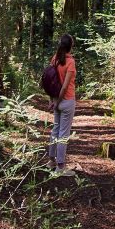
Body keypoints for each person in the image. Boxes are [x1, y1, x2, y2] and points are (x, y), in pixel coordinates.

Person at [48, 33, 77, 173]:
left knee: (55, 130)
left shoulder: (55, 59)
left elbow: (49, 82)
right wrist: (57, 101)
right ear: (70, 46)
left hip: (56, 101)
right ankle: (60, 167)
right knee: (63, 134)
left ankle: (51, 161)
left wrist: (52, 101)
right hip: (67, 101)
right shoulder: (70, 62)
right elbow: (65, 87)